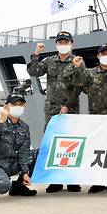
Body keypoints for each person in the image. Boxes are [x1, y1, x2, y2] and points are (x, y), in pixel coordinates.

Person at [26, 30, 83, 193]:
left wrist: (68, 105)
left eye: (66, 42)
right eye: (60, 42)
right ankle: (55, 181)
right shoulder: (49, 61)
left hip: (70, 109)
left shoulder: (77, 61)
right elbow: (33, 72)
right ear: (56, 44)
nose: (63, 45)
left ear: (71, 44)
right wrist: (36, 53)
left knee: (72, 145)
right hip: (52, 110)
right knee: (52, 145)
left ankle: (72, 181)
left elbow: (80, 85)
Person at [74, 43, 107, 194]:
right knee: (97, 151)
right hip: (96, 118)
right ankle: (97, 182)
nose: (106, 56)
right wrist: (78, 68)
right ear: (98, 56)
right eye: (103, 54)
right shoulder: (90, 73)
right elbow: (78, 83)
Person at [0, 94, 38, 201]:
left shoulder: (24, 127)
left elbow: (24, 151)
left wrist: (25, 172)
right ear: (6, 106)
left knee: (39, 154)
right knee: (3, 185)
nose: (18, 107)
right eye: (14, 104)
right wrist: (1, 122)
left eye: (21, 104)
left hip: (12, 163)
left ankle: (18, 186)